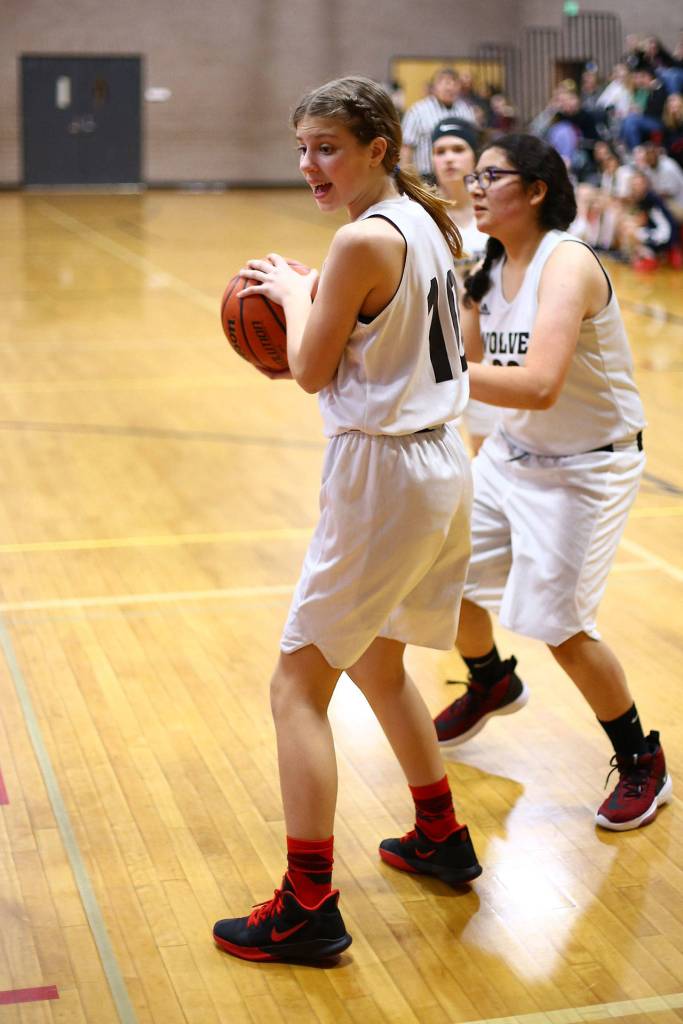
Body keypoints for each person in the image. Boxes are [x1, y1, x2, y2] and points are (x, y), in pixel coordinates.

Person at [212, 76, 480, 964]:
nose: (308, 165)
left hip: (386, 474)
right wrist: (313, 281)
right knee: (377, 657)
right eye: (301, 149)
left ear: (377, 147)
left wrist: (293, 293)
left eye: (326, 147)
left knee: (296, 689)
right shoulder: (422, 219)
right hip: (443, 461)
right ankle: (439, 833)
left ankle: (307, 903)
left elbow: (311, 368)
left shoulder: (364, 238)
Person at [432, 134, 672, 832]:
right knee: (442, 576)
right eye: (470, 174)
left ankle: (639, 760)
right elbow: (471, 364)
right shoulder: (488, 264)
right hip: (513, 454)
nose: (474, 186)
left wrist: (427, 371)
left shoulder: (566, 264)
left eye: (490, 175)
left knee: (561, 626)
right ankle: (490, 681)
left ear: (535, 190)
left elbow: (536, 385)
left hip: (586, 467)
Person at [431, 117, 494, 454]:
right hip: (439, 353)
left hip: (491, 351)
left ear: (475, 157)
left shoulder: (495, 214)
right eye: (440, 151)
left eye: (458, 149)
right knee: (445, 457)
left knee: (490, 455)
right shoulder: (422, 217)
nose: (449, 158)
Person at [401, 68, 477, 180]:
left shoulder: (466, 110)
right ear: (434, 87)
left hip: (459, 176)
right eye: (444, 82)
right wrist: (406, 179)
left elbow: (473, 144)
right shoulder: (417, 111)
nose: (449, 87)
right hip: (426, 177)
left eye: (454, 83)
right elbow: (407, 147)